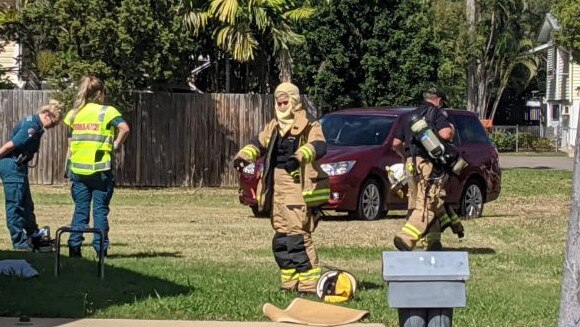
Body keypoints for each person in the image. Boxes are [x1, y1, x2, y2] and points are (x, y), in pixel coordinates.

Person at [233, 82, 329, 294]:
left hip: (297, 186)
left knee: (297, 235)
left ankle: (308, 285)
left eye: (285, 99)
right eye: (278, 99)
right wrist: (242, 157)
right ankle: (289, 283)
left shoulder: (308, 124)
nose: (281, 102)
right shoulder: (275, 125)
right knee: (281, 237)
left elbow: (319, 145)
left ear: (294, 100)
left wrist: (299, 157)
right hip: (276, 186)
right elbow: (257, 143)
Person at [63, 75, 130, 257]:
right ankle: (101, 249)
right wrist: (115, 145)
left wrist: (66, 168)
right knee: (100, 211)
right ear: (100, 93)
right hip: (100, 170)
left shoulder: (73, 114)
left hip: (78, 170)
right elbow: (124, 128)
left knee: (80, 209)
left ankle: (74, 248)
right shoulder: (107, 112)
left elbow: (70, 143)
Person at [392, 87, 454, 251]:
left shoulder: (407, 116)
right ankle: (406, 238)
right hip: (428, 165)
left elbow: (396, 143)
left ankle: (433, 242)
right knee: (428, 203)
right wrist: (452, 129)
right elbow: (446, 134)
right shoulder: (437, 113)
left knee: (416, 203)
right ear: (439, 100)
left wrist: (404, 157)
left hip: (411, 165)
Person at [0, 100, 64, 251]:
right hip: (12, 166)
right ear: (47, 115)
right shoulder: (32, 127)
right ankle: (20, 243)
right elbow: (10, 145)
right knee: (15, 206)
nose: (54, 126)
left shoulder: (35, 125)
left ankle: (33, 234)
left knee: (27, 205)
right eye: (54, 123)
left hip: (19, 167)